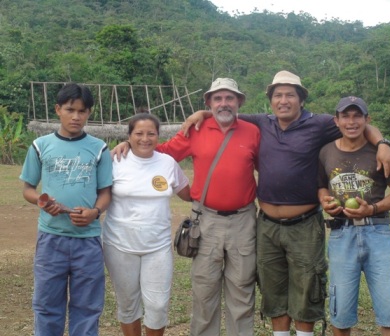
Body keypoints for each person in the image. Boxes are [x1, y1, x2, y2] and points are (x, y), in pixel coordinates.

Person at [182, 70, 390, 336]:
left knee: (307, 286)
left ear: (301, 99)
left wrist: (383, 143)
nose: (284, 100)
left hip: (305, 224)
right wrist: (200, 114)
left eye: (290, 95)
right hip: (267, 225)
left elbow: (357, 123)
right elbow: (224, 112)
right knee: (272, 287)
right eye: (278, 95)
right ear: (271, 101)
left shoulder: (319, 124)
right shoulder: (261, 122)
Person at [112, 78, 260, 335]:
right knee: (204, 291)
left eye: (229, 98)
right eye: (217, 99)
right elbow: (159, 151)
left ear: (239, 102)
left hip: (243, 221)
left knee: (242, 291)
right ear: (209, 103)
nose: (223, 103)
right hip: (206, 220)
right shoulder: (196, 130)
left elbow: (268, 166)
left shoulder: (254, 131)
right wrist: (129, 145)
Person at [19, 83, 113, 336]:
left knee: (87, 307)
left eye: (82, 111)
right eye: (70, 109)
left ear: (89, 113)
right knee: (47, 305)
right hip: (51, 239)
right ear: (58, 109)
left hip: (88, 241)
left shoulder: (99, 149)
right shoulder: (40, 145)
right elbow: (28, 188)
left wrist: (94, 212)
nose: (76, 116)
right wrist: (42, 201)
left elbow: (106, 192)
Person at [317, 96, 390, 336]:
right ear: (336, 120)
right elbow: (322, 186)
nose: (351, 121)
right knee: (340, 310)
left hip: (378, 232)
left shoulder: (383, 153)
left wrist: (373, 209)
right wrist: (325, 201)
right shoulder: (326, 152)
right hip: (341, 234)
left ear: (367, 119)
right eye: (345, 116)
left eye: (357, 115)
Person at [102, 113, 191, 336]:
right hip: (119, 245)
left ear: (158, 136)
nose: (145, 138)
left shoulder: (167, 163)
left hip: (157, 247)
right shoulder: (114, 161)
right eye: (138, 133)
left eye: (151, 133)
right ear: (128, 136)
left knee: (158, 305)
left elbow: (189, 194)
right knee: (128, 304)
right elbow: (98, 195)